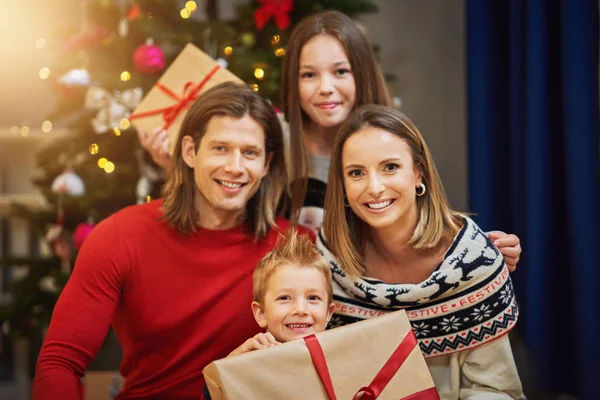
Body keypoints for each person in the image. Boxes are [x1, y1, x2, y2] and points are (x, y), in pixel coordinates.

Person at [139, 10, 522, 271]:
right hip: (285, 296)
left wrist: (475, 249)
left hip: (364, 293)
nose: (325, 89)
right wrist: (176, 169)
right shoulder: (273, 141)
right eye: (308, 75)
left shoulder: (388, 142)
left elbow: (421, 220)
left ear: (361, 73)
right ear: (294, 80)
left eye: (340, 71)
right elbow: (229, 209)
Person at [33, 82, 307, 399]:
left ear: (266, 165)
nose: (234, 167)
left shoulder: (293, 248)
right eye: (220, 148)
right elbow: (59, 363)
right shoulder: (120, 236)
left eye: (249, 153)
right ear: (190, 151)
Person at [319, 104, 523, 399]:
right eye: (356, 173)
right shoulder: (325, 260)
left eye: (390, 167)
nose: (374, 187)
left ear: (418, 173)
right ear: (343, 185)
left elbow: (495, 389)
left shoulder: (475, 263)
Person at [202, 228, 335, 400]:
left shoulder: (340, 361)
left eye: (313, 297)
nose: (300, 309)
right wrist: (230, 368)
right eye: (285, 298)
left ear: (328, 313)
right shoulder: (247, 360)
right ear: (261, 313)